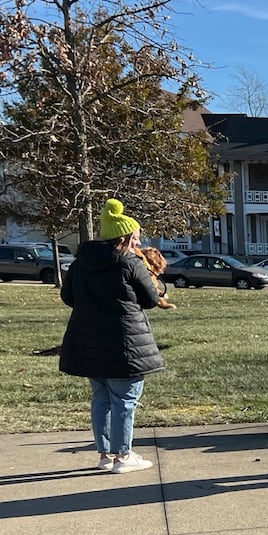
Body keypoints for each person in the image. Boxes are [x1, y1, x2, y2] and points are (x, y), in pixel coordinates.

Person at [59, 198, 164, 474]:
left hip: (88, 342)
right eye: (136, 239)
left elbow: (67, 297)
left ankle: (105, 454)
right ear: (125, 238)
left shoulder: (80, 263)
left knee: (101, 398)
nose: (138, 244)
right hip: (125, 343)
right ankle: (123, 456)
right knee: (125, 399)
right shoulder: (129, 263)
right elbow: (151, 298)